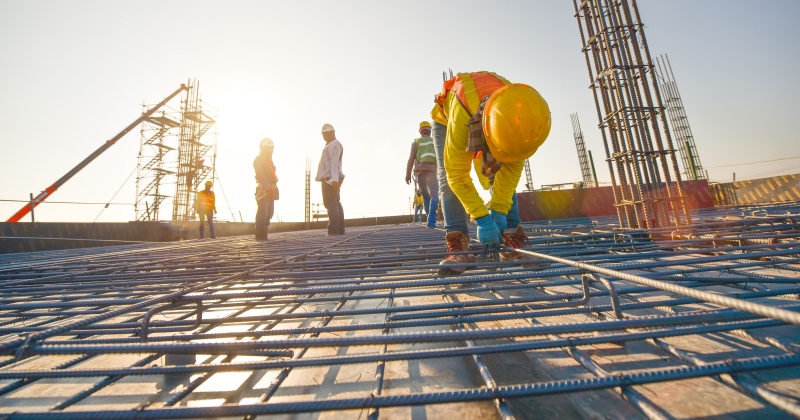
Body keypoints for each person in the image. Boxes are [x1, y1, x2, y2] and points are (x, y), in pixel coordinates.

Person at [431, 71, 551, 274]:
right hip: (449, 118)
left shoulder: (522, 118)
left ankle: (511, 236)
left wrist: (499, 211)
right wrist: (482, 219)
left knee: (502, 167)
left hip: (493, 112)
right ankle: (459, 245)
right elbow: (457, 175)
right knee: (446, 176)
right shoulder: (462, 118)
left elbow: (510, 173)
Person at [405, 121, 439, 228]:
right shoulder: (435, 141)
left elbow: (411, 160)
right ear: (430, 131)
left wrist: (408, 174)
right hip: (432, 173)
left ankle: (429, 217)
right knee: (434, 196)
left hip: (420, 174)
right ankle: (432, 220)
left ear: (420, 131)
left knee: (426, 197)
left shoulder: (416, 142)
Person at [315, 123, 345, 236]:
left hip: (330, 179)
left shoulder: (334, 145)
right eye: (323, 134)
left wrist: (334, 180)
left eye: (325, 134)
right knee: (336, 203)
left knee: (331, 204)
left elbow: (334, 163)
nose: (323, 136)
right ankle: (339, 230)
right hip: (332, 178)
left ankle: (333, 231)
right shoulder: (331, 145)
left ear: (331, 133)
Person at [254, 138, 278, 241]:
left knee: (270, 212)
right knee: (263, 212)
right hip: (264, 188)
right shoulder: (258, 160)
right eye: (268, 148)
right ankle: (260, 237)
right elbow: (260, 174)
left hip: (271, 188)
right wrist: (267, 187)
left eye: (271, 148)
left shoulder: (270, 161)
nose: (270, 150)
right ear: (263, 148)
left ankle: (264, 235)